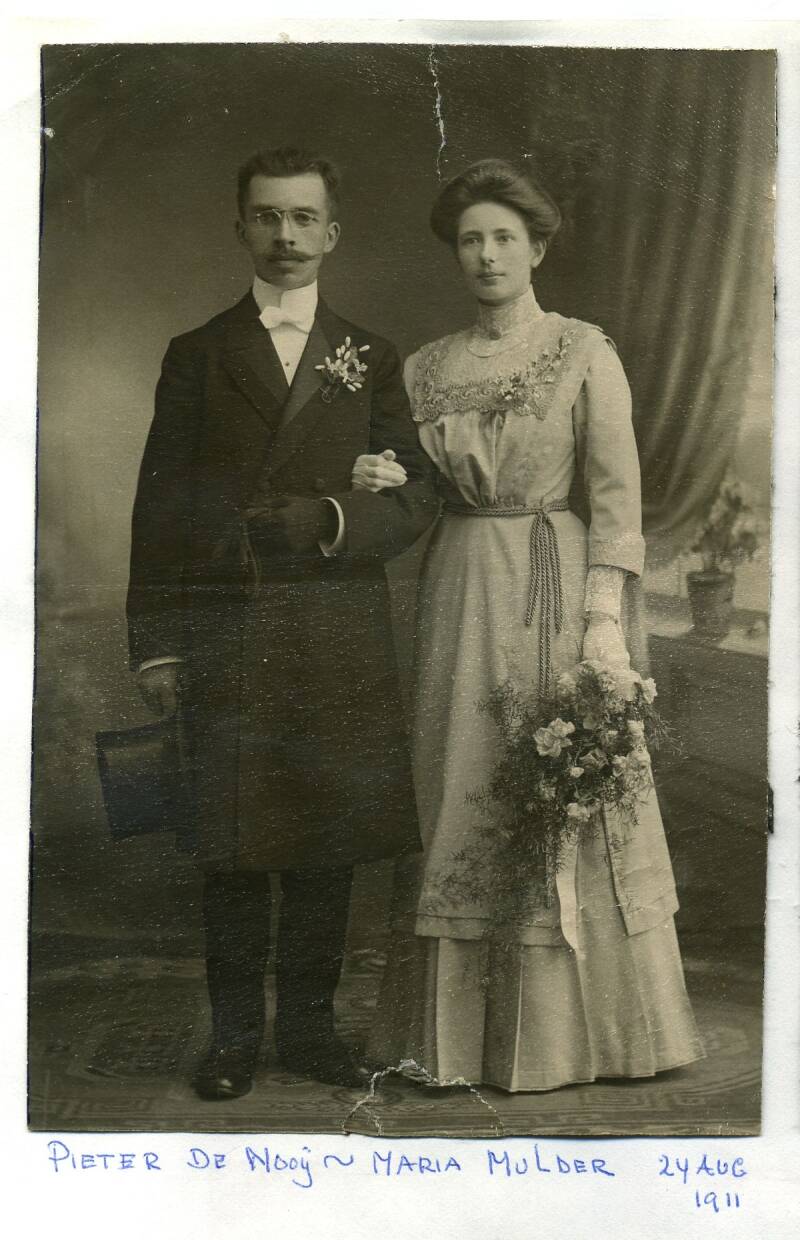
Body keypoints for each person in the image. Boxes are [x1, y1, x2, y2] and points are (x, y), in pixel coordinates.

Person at [360, 159, 704, 1092]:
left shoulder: (583, 350)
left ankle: (580, 1040)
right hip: (458, 586)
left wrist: (603, 624)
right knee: (459, 779)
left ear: (537, 249)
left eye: (504, 238)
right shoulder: (425, 367)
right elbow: (419, 491)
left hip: (554, 583)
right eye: (471, 239)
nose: (487, 255)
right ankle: (457, 1044)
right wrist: (387, 480)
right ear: (455, 253)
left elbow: (617, 496)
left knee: (556, 781)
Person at [126, 145, 438, 1101]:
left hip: (335, 630)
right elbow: (159, 506)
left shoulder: (370, 357)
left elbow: (417, 495)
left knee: (324, 844)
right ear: (241, 230)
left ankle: (308, 1031)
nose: (286, 235)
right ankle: (232, 1040)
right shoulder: (198, 353)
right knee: (231, 850)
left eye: (304, 217)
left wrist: (334, 518)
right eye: (267, 216)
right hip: (229, 626)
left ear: (331, 233)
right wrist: (158, 643)